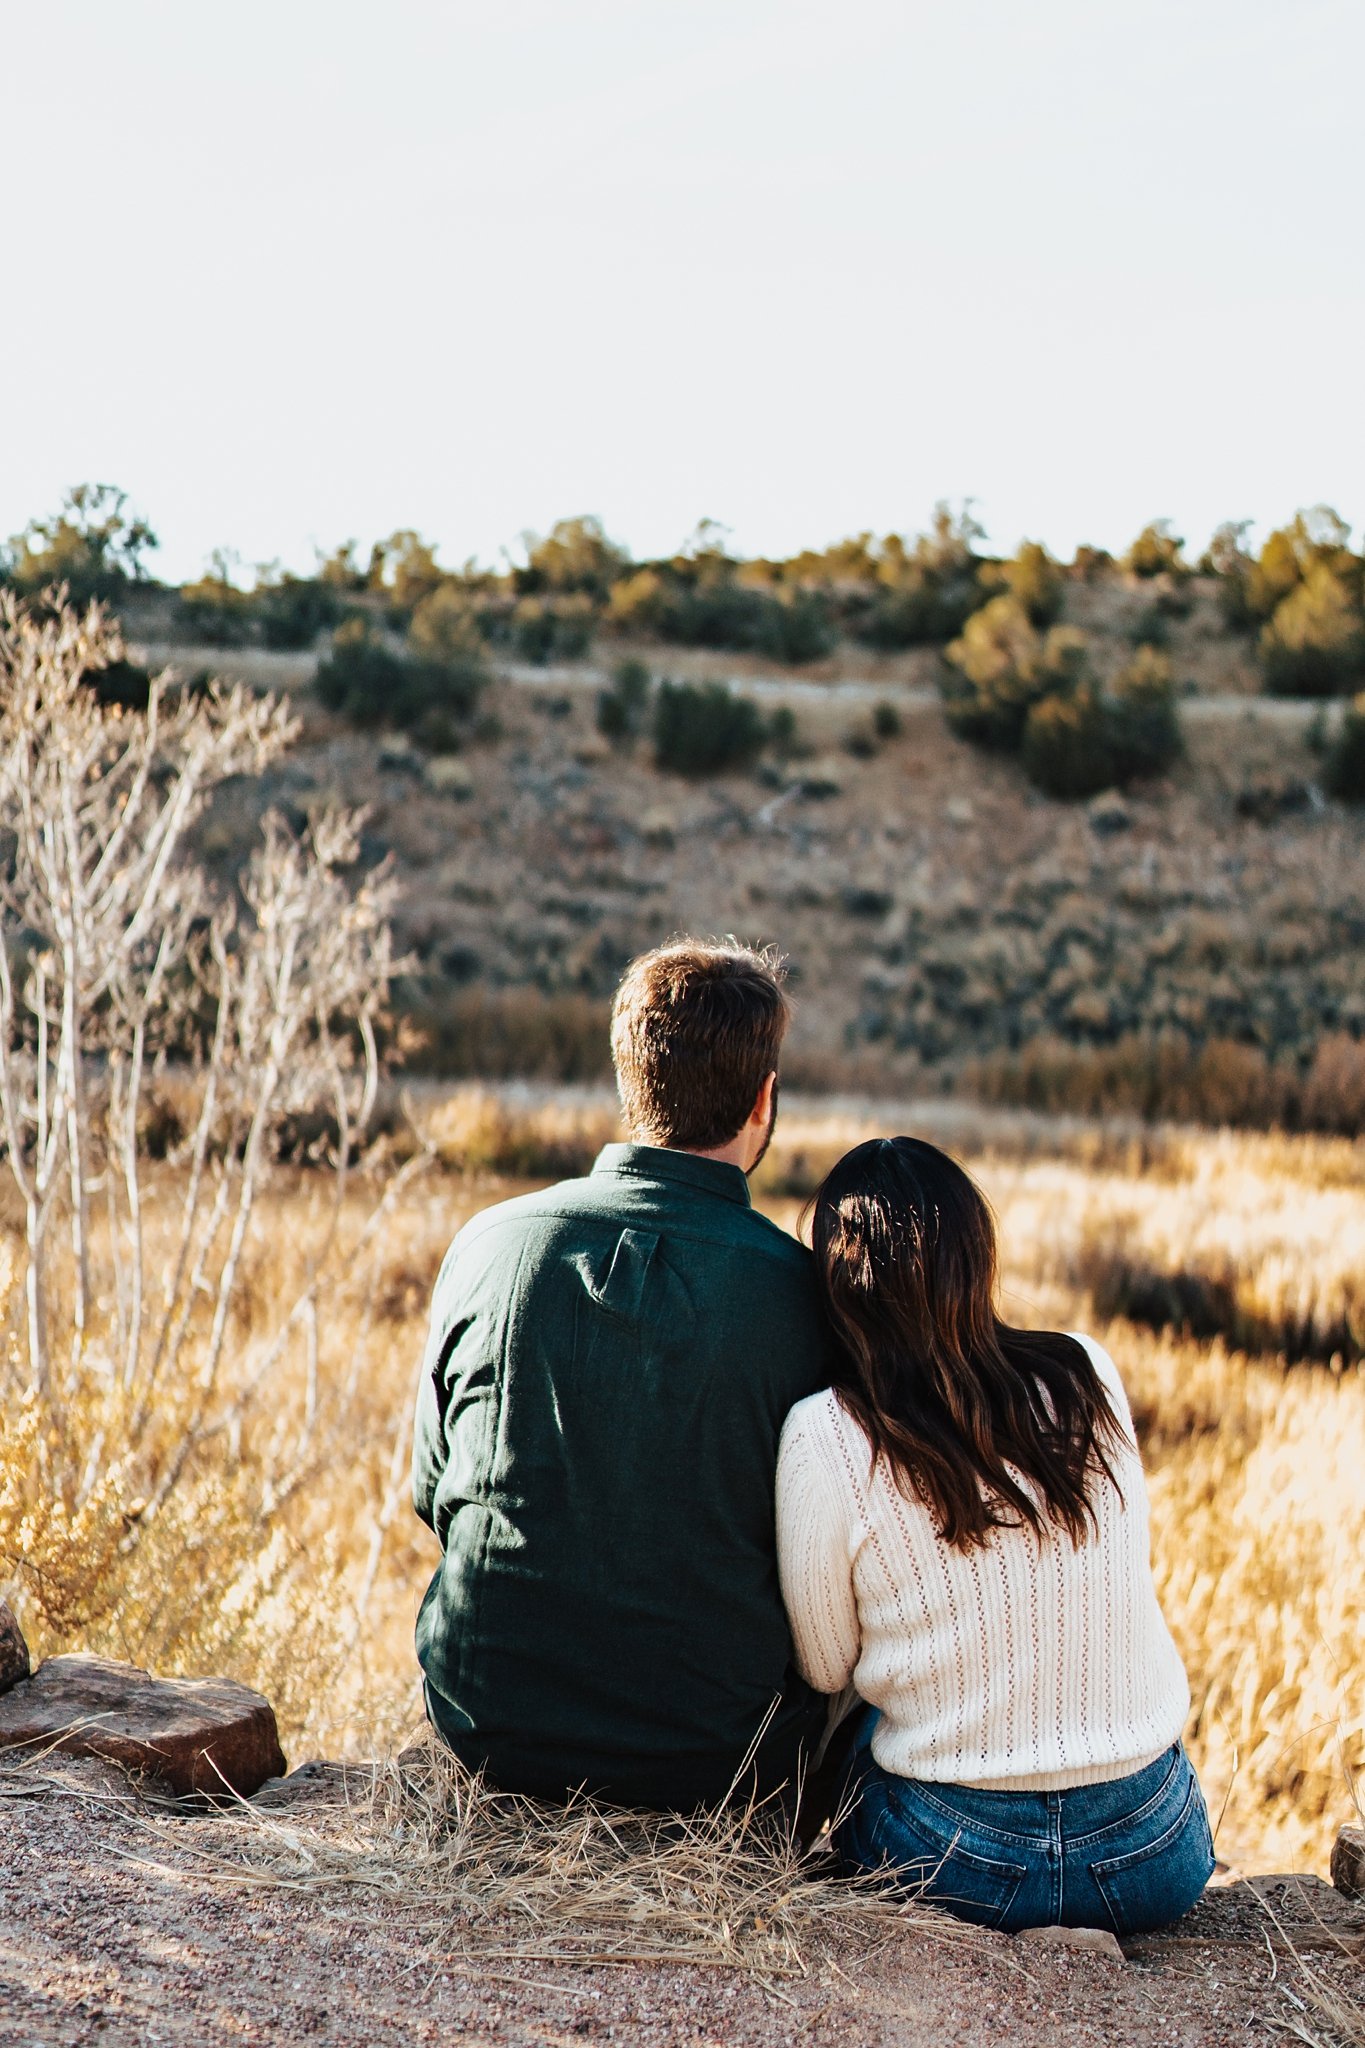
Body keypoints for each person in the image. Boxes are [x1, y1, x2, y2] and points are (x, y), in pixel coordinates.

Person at [412, 939, 831, 1811]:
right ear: (763, 1101)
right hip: (722, 1765)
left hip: (489, 1729)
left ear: (629, 1080)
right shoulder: (807, 1298)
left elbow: (431, 1493)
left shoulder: (488, 1244)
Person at [776, 1136, 1214, 1937]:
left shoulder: (826, 1432)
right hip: (1153, 1855)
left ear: (839, 1285)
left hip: (952, 1864)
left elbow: (823, 1663)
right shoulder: (1086, 1372)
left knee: (862, 1722)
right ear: (976, 1256)